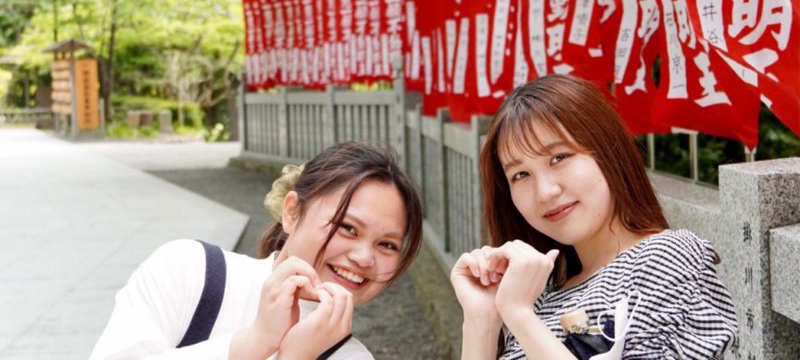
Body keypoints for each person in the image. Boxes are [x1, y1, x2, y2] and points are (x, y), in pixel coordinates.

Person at [450, 75, 738, 359]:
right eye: (521, 174)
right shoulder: (536, 296)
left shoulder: (666, 259)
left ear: (607, 151)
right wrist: (482, 320)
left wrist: (518, 314)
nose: (545, 192)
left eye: (559, 158)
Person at [90, 141, 423, 360]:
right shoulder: (191, 271)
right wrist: (255, 342)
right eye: (348, 227)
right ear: (292, 212)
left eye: (387, 245)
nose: (365, 257)